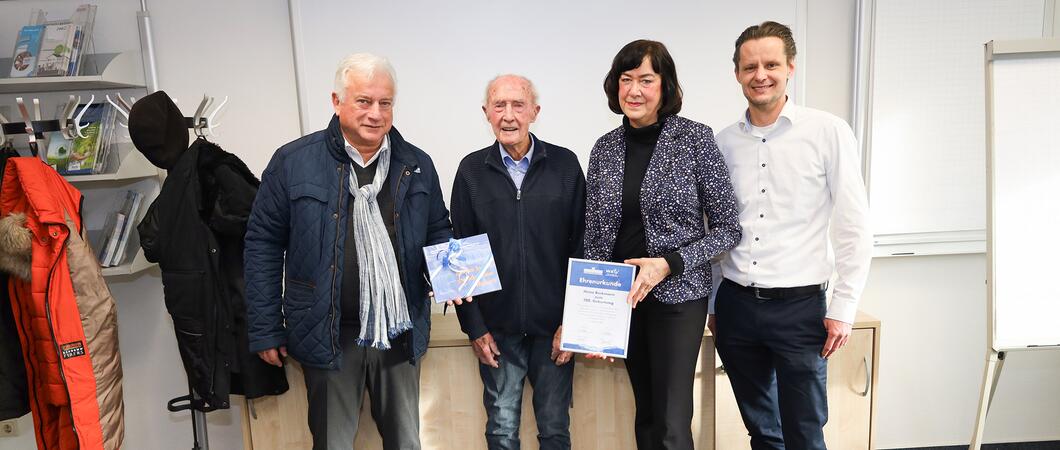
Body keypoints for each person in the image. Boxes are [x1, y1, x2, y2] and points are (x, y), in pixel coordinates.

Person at [244, 52, 452, 450]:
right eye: (364, 101)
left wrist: (453, 274)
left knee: (405, 443)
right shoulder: (294, 162)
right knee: (332, 444)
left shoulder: (416, 164)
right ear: (337, 101)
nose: (375, 113)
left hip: (398, 333)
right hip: (327, 335)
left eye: (385, 103)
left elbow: (438, 229)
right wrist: (266, 326)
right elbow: (262, 244)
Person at [712, 21, 873, 450]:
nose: (760, 75)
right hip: (736, 308)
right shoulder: (722, 142)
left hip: (800, 310)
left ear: (790, 68)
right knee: (762, 430)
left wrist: (844, 307)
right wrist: (714, 303)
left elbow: (854, 224)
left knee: (804, 431)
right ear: (737, 74)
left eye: (770, 64)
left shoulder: (827, 131)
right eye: (750, 67)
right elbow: (714, 231)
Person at [583, 39, 742, 449]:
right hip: (624, 299)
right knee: (648, 416)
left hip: (679, 298)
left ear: (665, 86)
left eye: (646, 79)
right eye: (626, 79)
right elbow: (596, 234)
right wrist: (592, 316)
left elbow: (728, 228)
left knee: (672, 420)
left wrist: (668, 263)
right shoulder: (604, 149)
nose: (634, 90)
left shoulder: (695, 139)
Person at [449, 74, 586, 449]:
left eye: (518, 105)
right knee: (501, 430)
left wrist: (573, 323)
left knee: (555, 429)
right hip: (497, 331)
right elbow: (459, 251)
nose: (508, 115)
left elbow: (583, 248)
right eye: (499, 105)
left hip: (553, 330)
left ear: (535, 112)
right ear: (486, 113)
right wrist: (474, 328)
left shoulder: (565, 166)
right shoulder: (471, 172)